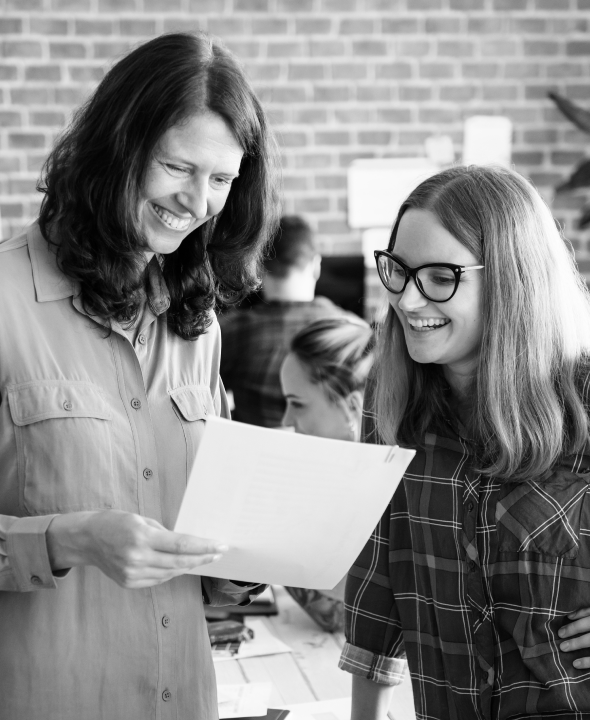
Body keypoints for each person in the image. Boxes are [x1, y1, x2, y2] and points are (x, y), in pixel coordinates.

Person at [0, 32, 279, 719]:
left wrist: (239, 564)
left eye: (222, 180)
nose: (198, 201)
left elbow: (197, 540)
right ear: (115, 150)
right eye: (177, 166)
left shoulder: (198, 326)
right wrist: (67, 539)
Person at [339, 165, 590, 719]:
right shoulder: (391, 398)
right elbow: (376, 582)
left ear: (512, 279)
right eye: (399, 271)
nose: (408, 300)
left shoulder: (583, 393)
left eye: (440, 277)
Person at [279, 316, 374, 632]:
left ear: (352, 407)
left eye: (297, 404)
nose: (287, 419)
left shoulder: (400, 492)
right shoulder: (325, 478)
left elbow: (338, 616)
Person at [220, 214, 350, 427]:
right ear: (315, 266)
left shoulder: (231, 332)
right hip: (324, 448)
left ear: (259, 268)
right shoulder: (349, 330)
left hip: (254, 447)